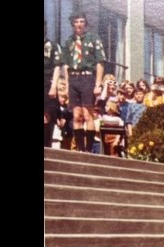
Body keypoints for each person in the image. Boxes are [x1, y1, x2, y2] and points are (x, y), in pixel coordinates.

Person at [63, 13, 105, 153]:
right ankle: (80, 148)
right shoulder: (69, 41)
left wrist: (98, 84)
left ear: (85, 23)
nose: (79, 24)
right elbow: (66, 66)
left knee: (88, 115)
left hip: (87, 78)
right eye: (76, 21)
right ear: (73, 24)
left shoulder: (93, 38)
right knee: (76, 115)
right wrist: (68, 86)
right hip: (74, 78)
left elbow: (100, 63)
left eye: (82, 21)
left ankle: (88, 149)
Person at [44, 20, 63, 147]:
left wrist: (53, 86)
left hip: (47, 82)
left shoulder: (52, 45)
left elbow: (57, 67)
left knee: (46, 116)